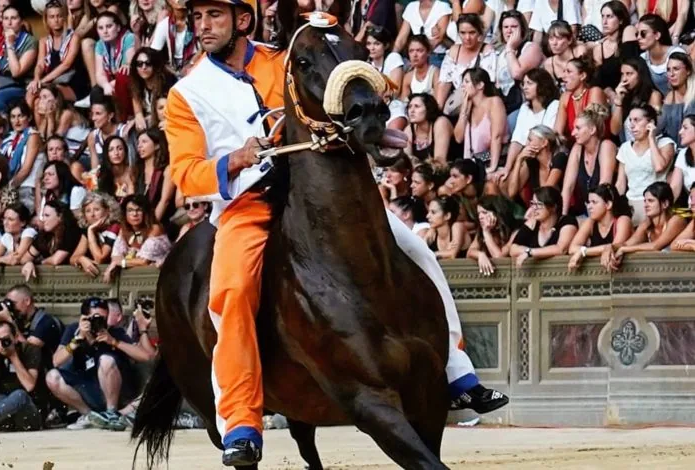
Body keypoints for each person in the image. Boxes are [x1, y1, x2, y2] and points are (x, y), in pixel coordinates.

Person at [167, 4, 507, 465]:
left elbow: (336, 105)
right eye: (197, 18)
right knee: (231, 290)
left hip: (316, 195)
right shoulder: (186, 93)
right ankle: (241, 421)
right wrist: (234, 160)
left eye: (214, 15)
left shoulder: (287, 57)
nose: (202, 26)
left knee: (415, 248)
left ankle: (456, 370)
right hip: (248, 204)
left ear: (242, 20)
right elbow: (186, 175)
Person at [46, 297, 153, 431]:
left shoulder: (114, 332)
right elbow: (56, 361)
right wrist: (77, 340)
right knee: (52, 377)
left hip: (117, 393)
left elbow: (146, 357)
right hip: (89, 391)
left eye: (103, 318)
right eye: (94, 318)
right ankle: (90, 416)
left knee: (106, 360)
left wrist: (114, 342)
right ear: (84, 318)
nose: (98, 323)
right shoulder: (74, 330)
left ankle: (111, 414)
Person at [616, 104, 676, 225]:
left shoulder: (665, 143)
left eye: (637, 120)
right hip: (630, 204)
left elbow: (659, 166)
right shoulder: (625, 148)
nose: (632, 125)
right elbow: (621, 183)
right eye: (630, 120)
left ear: (651, 123)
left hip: (654, 204)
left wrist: (651, 138)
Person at [606, 182, 687, 270]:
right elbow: (627, 243)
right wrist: (610, 247)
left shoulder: (677, 220)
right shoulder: (646, 224)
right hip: (656, 271)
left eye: (651, 201)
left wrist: (623, 249)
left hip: (679, 271)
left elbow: (655, 246)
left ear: (665, 204)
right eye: (645, 201)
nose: (646, 205)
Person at [567, 183, 633, 271]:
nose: (589, 207)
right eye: (589, 202)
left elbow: (614, 248)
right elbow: (572, 248)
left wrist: (583, 251)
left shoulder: (623, 220)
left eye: (594, 202)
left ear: (608, 204)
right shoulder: (590, 222)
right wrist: (582, 251)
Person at [510, 186, 578, 267]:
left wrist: (530, 253)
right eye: (532, 203)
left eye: (539, 204)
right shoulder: (532, 223)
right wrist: (529, 251)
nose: (534, 208)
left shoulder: (567, 221)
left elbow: (561, 249)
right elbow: (513, 249)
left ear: (553, 207)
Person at [507, 125, 568, 204]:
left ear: (544, 143)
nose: (526, 144)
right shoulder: (532, 162)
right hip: (539, 207)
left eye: (530, 140)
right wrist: (519, 160)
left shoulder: (559, 158)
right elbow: (511, 193)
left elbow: (547, 191)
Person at [609, 57, 663, 143]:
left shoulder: (653, 95)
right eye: (622, 74)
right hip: (628, 147)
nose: (624, 79)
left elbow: (654, 128)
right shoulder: (622, 96)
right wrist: (619, 102)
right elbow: (615, 131)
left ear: (640, 75)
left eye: (629, 74)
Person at [467, 194, 520, 276]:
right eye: (479, 214)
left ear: (496, 213)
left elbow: (499, 257)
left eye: (484, 212)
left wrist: (486, 232)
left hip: (511, 275)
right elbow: (470, 252)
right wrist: (480, 255)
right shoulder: (482, 230)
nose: (480, 217)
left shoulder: (514, 231)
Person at [403, 93, 453, 167]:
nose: (412, 110)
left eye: (417, 106)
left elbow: (440, 162)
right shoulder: (409, 129)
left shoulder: (441, 123)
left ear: (428, 109)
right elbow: (407, 160)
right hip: (421, 174)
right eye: (410, 107)